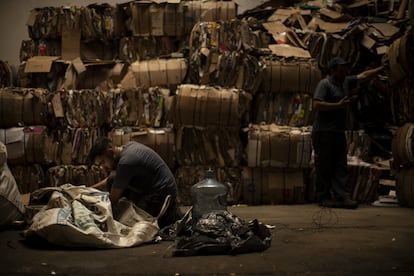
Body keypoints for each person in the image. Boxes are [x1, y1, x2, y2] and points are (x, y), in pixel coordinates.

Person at [312, 57, 384, 209]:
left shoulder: (344, 81)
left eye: (346, 69)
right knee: (325, 165)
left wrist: (382, 68)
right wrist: (338, 105)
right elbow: (317, 104)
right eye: (341, 69)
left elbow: (363, 76)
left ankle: (342, 197)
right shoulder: (325, 84)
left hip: (338, 132)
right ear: (333, 71)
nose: (345, 71)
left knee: (340, 164)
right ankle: (323, 197)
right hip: (324, 132)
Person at [88, 137, 181, 228]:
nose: (103, 167)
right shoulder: (128, 147)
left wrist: (97, 216)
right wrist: (89, 189)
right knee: (112, 181)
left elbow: (113, 199)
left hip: (162, 196)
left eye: (103, 162)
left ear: (111, 152)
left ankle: (168, 217)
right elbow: (112, 180)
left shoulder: (126, 162)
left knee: (127, 223)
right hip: (156, 188)